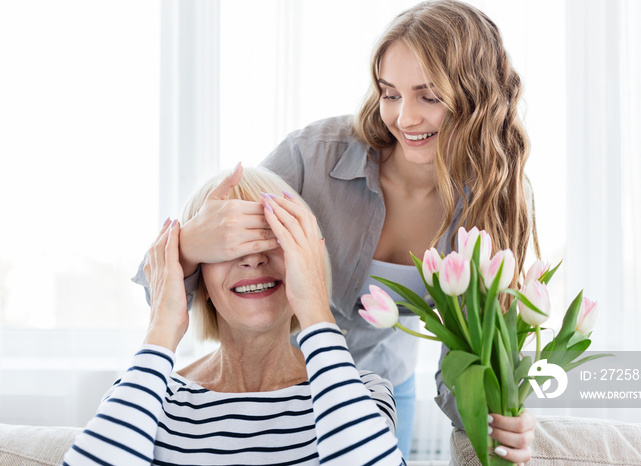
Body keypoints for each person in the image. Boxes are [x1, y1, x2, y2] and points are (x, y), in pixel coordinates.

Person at [134, 1, 537, 462]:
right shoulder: (315, 158)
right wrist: (187, 248)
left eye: (429, 96)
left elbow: (470, 349)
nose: (405, 118)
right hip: (280, 376)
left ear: (478, 96)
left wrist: (494, 414)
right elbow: (168, 295)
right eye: (390, 93)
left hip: (379, 385)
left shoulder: (494, 198)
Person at [66, 168, 405, 465]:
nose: (253, 259)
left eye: (271, 237)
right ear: (199, 275)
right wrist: (164, 324)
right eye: (228, 245)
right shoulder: (150, 394)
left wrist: (315, 308)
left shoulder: (363, 392)